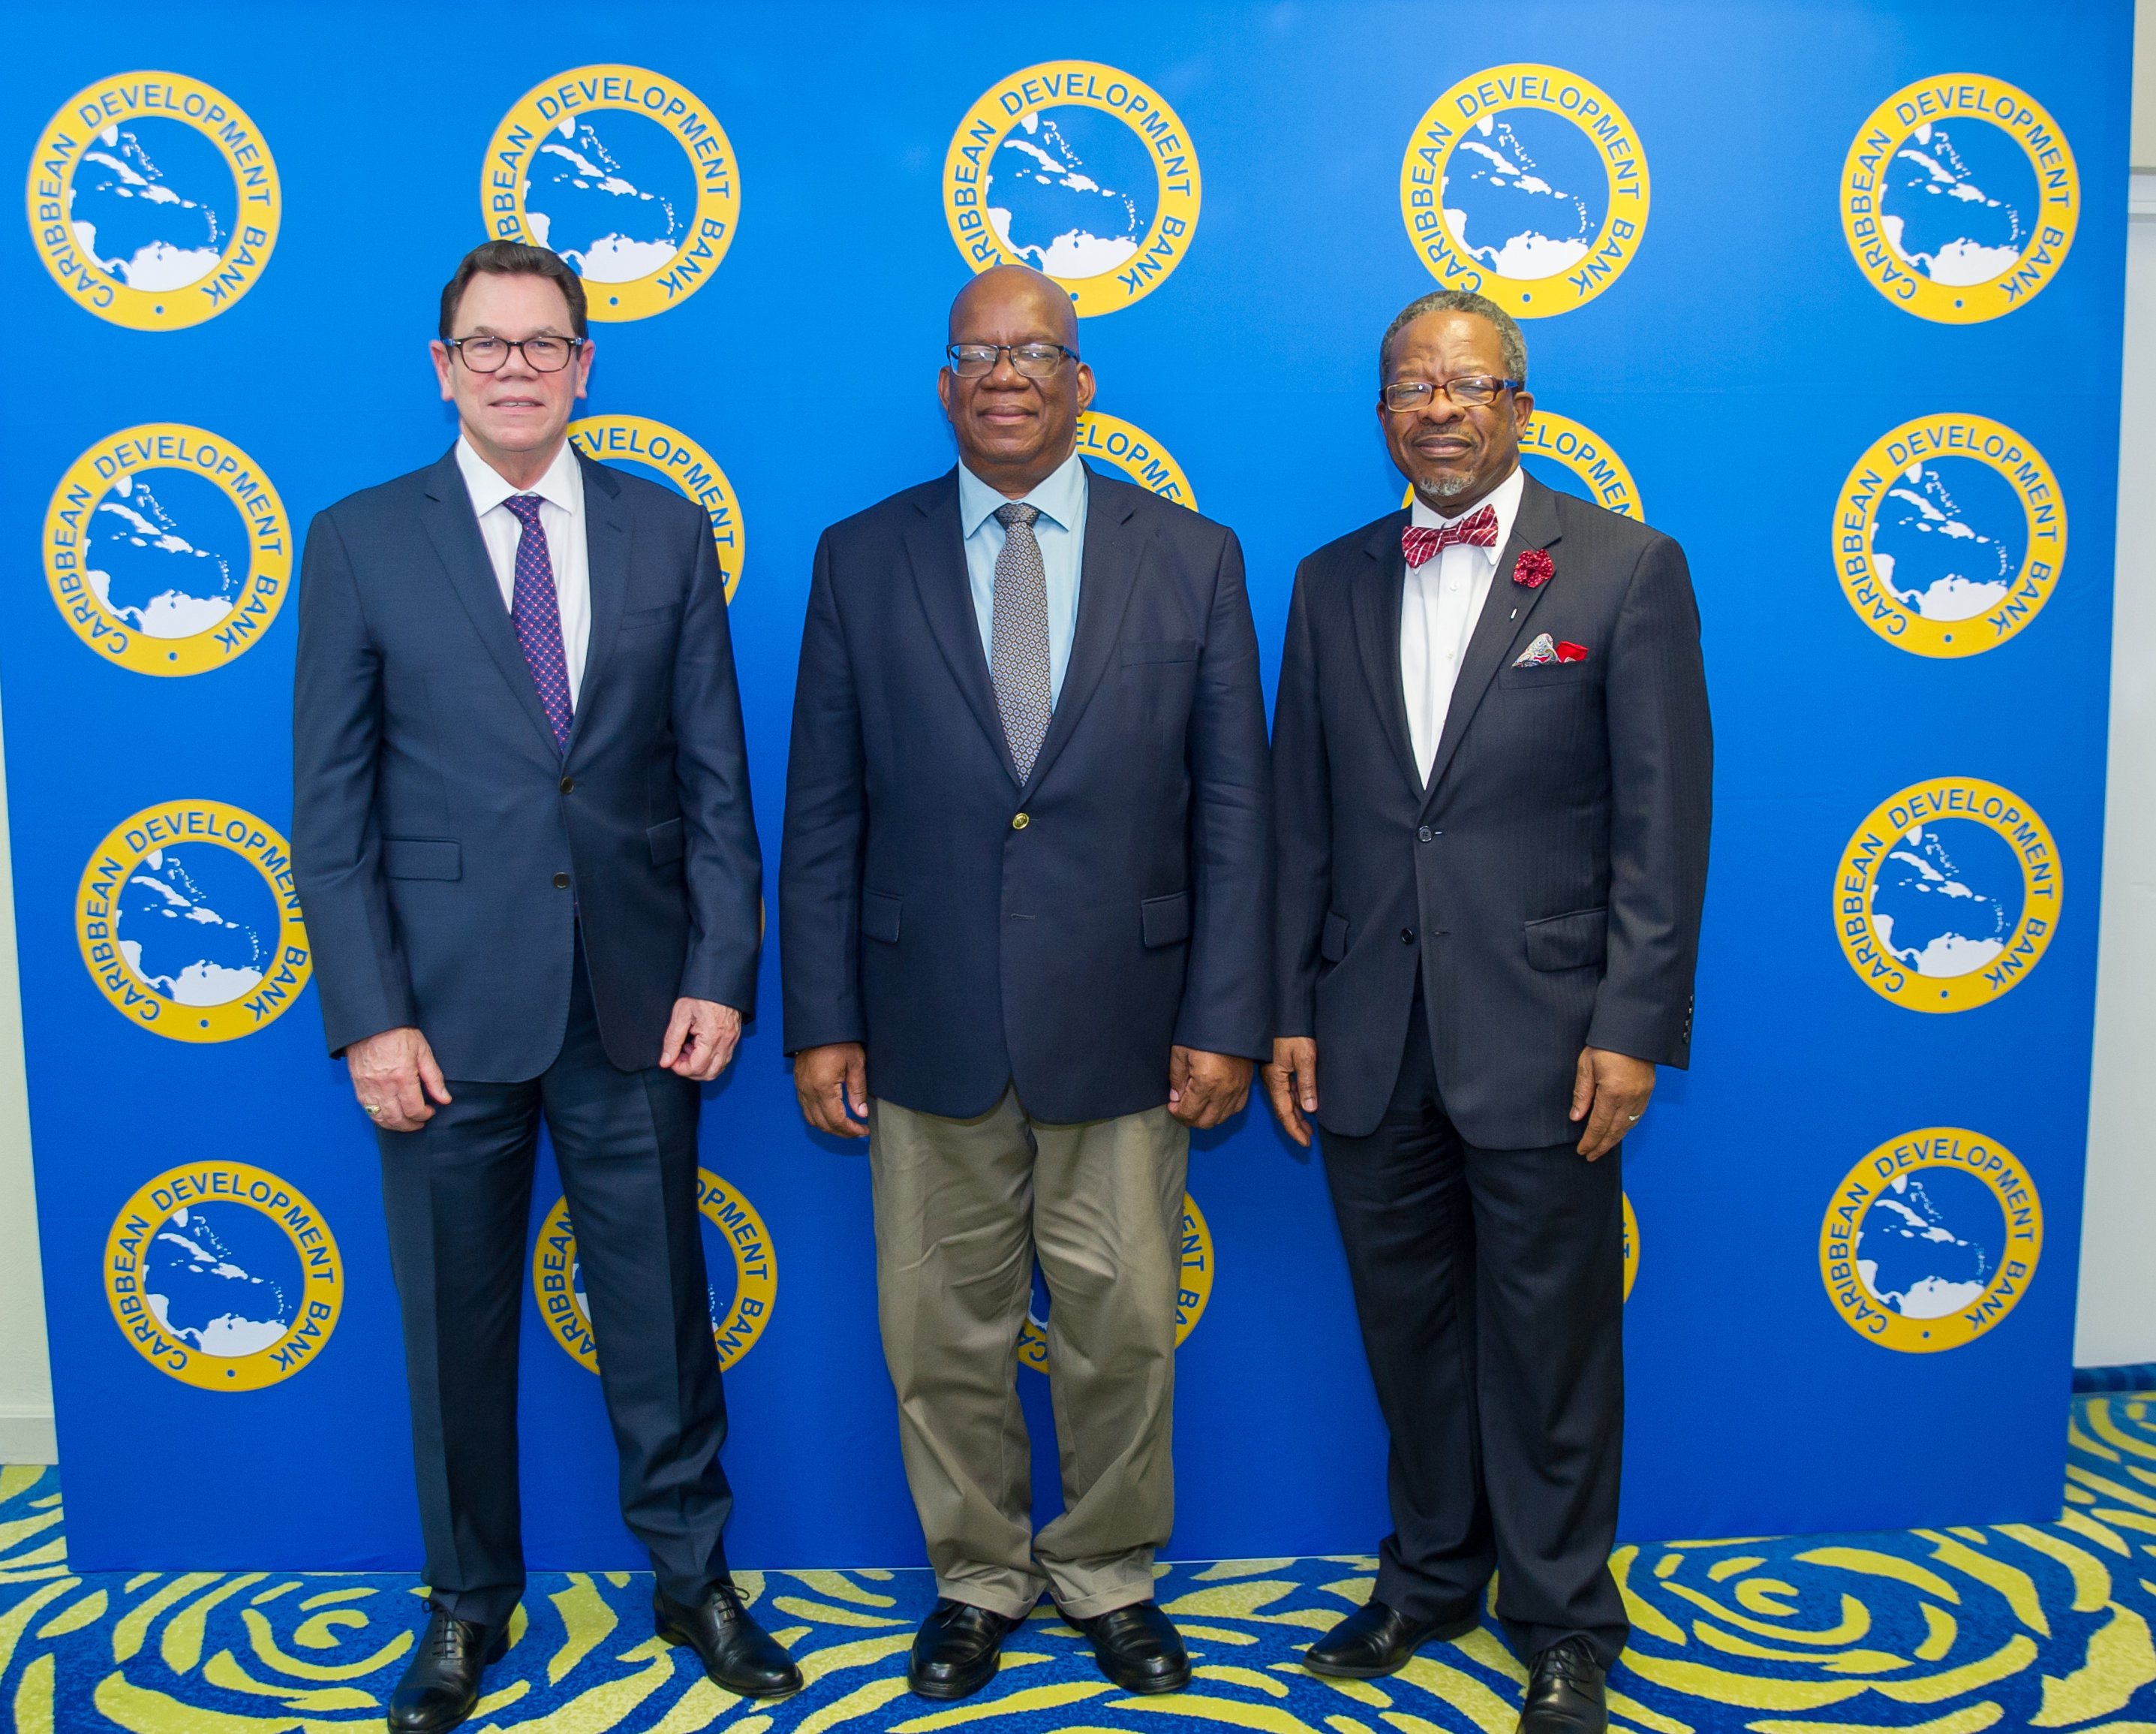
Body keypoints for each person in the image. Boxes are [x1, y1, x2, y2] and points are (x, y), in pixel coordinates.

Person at [291, 239, 798, 1734]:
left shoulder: (665, 533)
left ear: (585, 367)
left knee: (662, 1311)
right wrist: (370, 1013)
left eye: (544, 344)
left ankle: (694, 1580)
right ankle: (465, 1607)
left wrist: (721, 968)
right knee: (452, 1327)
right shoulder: (361, 540)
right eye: (487, 344)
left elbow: (716, 778)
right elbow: (331, 810)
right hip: (437, 1022)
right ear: (443, 368)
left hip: (639, 1003)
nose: (517, 366)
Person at [780, 263, 1272, 1702]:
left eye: (1036, 352)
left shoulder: (1192, 556)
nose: (1006, 375)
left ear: (1081, 383)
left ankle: (1110, 1570)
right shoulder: (857, 558)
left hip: (1127, 1019)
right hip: (921, 1016)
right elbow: (823, 810)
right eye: (977, 353)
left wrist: (1224, 1018)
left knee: (1120, 1321)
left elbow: (1232, 812)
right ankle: (978, 1576)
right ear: (945, 385)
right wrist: (822, 1017)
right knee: (939, 1331)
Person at [1265, 289, 1710, 1734]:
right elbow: (1300, 826)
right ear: (1382, 412)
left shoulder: (1626, 572)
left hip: (1548, 1036)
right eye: (1410, 384)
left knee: (1553, 1340)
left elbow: (1662, 824)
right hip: (1369, 1032)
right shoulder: (1326, 582)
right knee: (1407, 1330)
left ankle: (1566, 1613)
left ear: (1519, 401)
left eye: (1466, 382)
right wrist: (1288, 1013)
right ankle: (1431, 1571)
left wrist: (1632, 1025)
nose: (1437, 407)